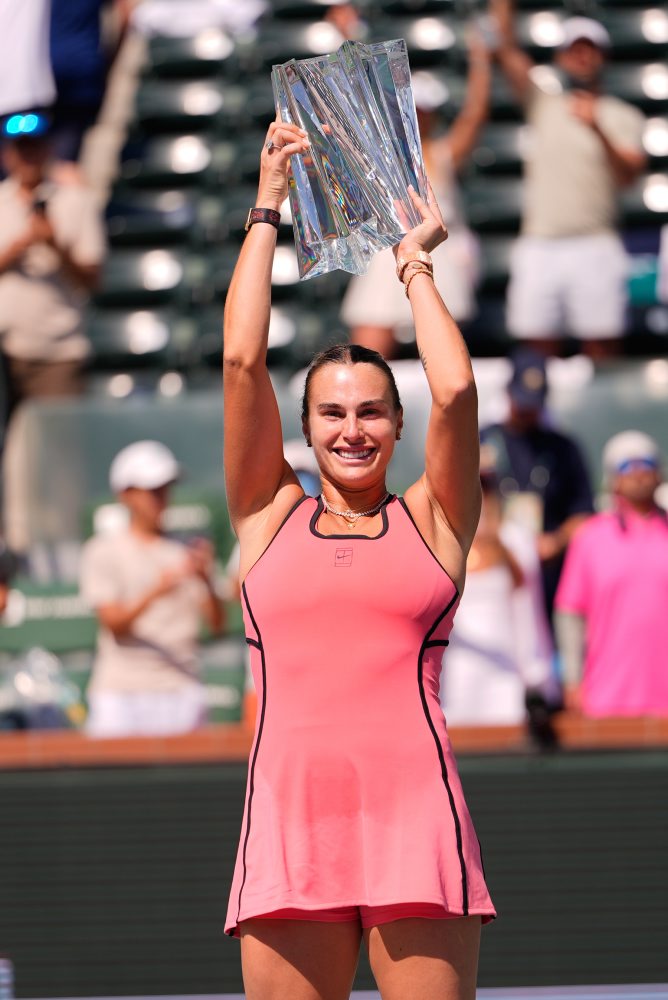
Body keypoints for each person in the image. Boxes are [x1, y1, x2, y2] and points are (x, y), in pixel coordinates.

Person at [223, 120, 495, 1000]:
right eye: (333, 414)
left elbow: (454, 387)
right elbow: (239, 359)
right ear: (303, 430)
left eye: (373, 412)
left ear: (397, 426)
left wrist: (412, 263)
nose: (353, 429)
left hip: (416, 818)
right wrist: (267, 204)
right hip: (289, 823)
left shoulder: (435, 519)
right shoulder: (267, 513)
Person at [490, 0, 647, 358]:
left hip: (596, 242)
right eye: (573, 49)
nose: (581, 57)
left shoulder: (624, 115)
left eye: (589, 49)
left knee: (602, 345)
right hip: (540, 242)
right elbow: (507, 49)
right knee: (534, 348)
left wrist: (599, 129)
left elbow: (628, 177)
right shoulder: (544, 103)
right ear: (561, 58)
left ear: (602, 57)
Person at [341, 34, 490, 359]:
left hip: (437, 255)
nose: (417, 116)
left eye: (423, 110)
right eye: (411, 109)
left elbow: (476, 113)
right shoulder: (379, 152)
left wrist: (481, 61)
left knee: (444, 355)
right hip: (387, 256)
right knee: (368, 355)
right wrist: (349, 37)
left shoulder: (443, 153)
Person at [80, 440, 224, 737]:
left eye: (165, 488)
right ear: (126, 495)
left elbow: (218, 626)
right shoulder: (102, 551)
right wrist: (157, 590)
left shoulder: (188, 551)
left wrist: (205, 580)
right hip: (121, 693)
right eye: (152, 490)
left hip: (182, 689)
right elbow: (114, 624)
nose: (161, 498)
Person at [555, 431, 668, 718]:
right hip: (608, 697)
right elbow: (570, 613)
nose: (638, 473)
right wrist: (572, 680)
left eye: (646, 463)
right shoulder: (590, 538)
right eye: (627, 466)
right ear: (613, 479)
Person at [0, 117, 105, 416]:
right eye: (21, 149)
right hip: (5, 350)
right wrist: (21, 245)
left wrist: (54, 245)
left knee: (60, 451)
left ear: (47, 150)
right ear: (8, 155)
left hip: (57, 351)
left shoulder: (77, 201)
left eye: (34, 147)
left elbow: (93, 279)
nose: (28, 157)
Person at [480, 350, 594, 622]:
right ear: (507, 392)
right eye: (521, 402)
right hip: (495, 568)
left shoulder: (564, 448)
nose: (526, 411)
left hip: (550, 574)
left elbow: (584, 512)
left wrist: (557, 541)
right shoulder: (480, 439)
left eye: (533, 404)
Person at [442, 463, 554, 728]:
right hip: (454, 678)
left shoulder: (516, 540)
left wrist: (535, 675)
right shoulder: (438, 542)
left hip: (505, 676)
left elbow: (528, 612)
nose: (476, 493)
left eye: (485, 485)